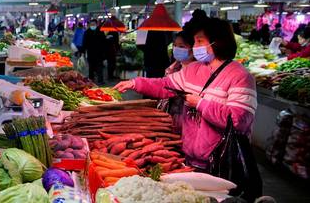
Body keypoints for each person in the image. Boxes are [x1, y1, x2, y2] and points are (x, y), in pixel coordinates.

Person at [115, 18, 257, 171]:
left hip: (223, 163)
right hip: (191, 158)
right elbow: (165, 85)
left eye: (200, 41)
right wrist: (135, 83)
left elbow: (238, 121)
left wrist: (200, 103)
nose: (195, 47)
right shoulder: (193, 69)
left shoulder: (240, 76)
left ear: (217, 42)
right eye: (195, 41)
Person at [81, 19, 106, 83]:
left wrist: (104, 52)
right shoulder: (87, 32)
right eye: (91, 24)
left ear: (96, 24)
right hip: (90, 53)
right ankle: (91, 79)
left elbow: (104, 41)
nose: (92, 26)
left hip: (99, 53)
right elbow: (84, 43)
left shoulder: (100, 31)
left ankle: (100, 80)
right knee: (91, 67)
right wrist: (82, 52)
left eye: (94, 24)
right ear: (89, 25)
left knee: (99, 67)